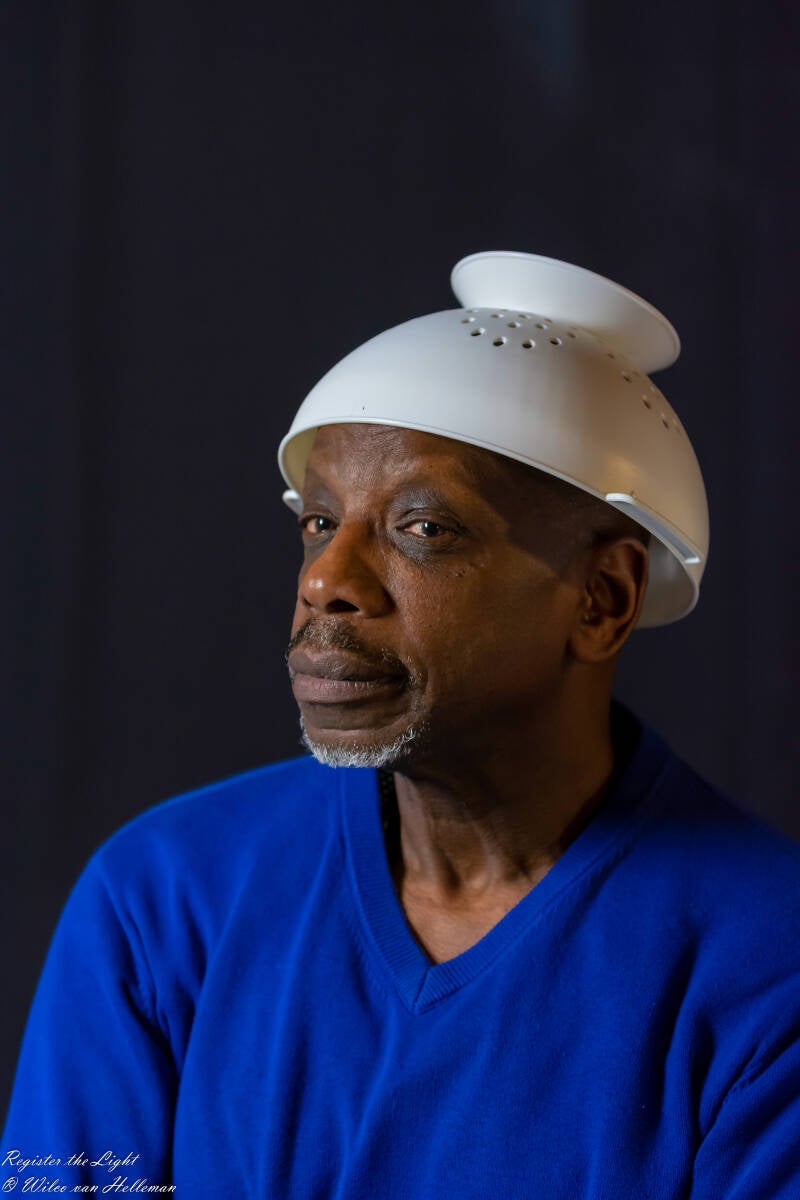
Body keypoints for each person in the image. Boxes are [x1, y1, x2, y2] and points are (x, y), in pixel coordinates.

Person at [3, 252, 800, 1198]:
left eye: (424, 528)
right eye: (319, 521)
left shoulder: (768, 961)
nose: (324, 579)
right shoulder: (165, 900)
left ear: (603, 598)